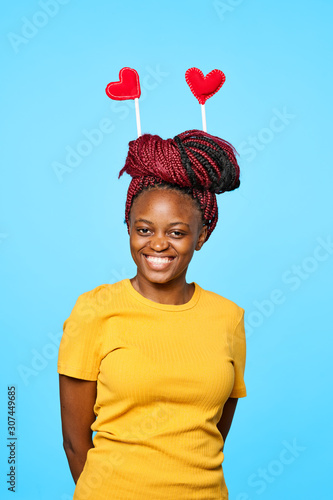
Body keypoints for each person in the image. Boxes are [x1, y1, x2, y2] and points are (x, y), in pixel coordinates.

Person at [57, 129, 247, 500]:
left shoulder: (228, 317)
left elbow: (212, 431)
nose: (158, 243)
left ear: (201, 236)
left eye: (177, 232)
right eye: (144, 229)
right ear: (128, 228)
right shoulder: (95, 309)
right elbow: (75, 443)